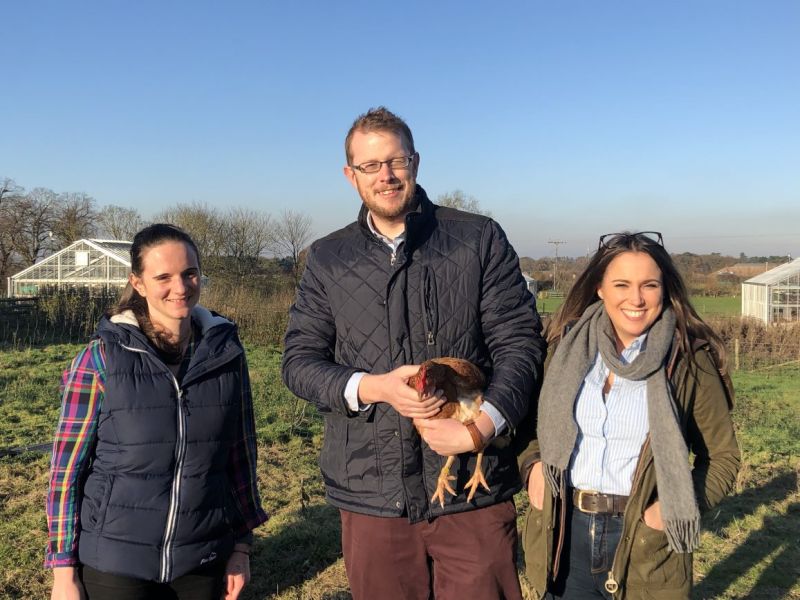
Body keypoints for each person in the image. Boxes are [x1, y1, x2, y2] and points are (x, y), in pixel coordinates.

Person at [282, 106, 546, 600]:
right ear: (350, 175)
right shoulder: (327, 257)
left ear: (416, 163)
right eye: (370, 165)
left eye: (396, 161)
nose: (386, 175)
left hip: (474, 487)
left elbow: (520, 342)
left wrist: (481, 426)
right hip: (372, 491)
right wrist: (371, 387)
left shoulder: (477, 238)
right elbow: (299, 362)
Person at [46, 224, 268, 600]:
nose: (180, 288)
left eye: (189, 273)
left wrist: (241, 546)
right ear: (139, 283)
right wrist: (63, 569)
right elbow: (66, 472)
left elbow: (240, 457)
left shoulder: (228, 355)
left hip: (203, 554)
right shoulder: (100, 359)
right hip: (115, 560)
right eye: (163, 277)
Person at [517, 231, 740, 599]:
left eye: (649, 285)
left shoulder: (687, 359)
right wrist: (533, 467)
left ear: (664, 289)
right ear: (600, 288)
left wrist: (670, 512)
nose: (636, 298)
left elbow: (722, 457)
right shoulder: (564, 348)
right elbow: (531, 425)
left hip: (644, 539)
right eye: (621, 284)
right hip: (564, 532)